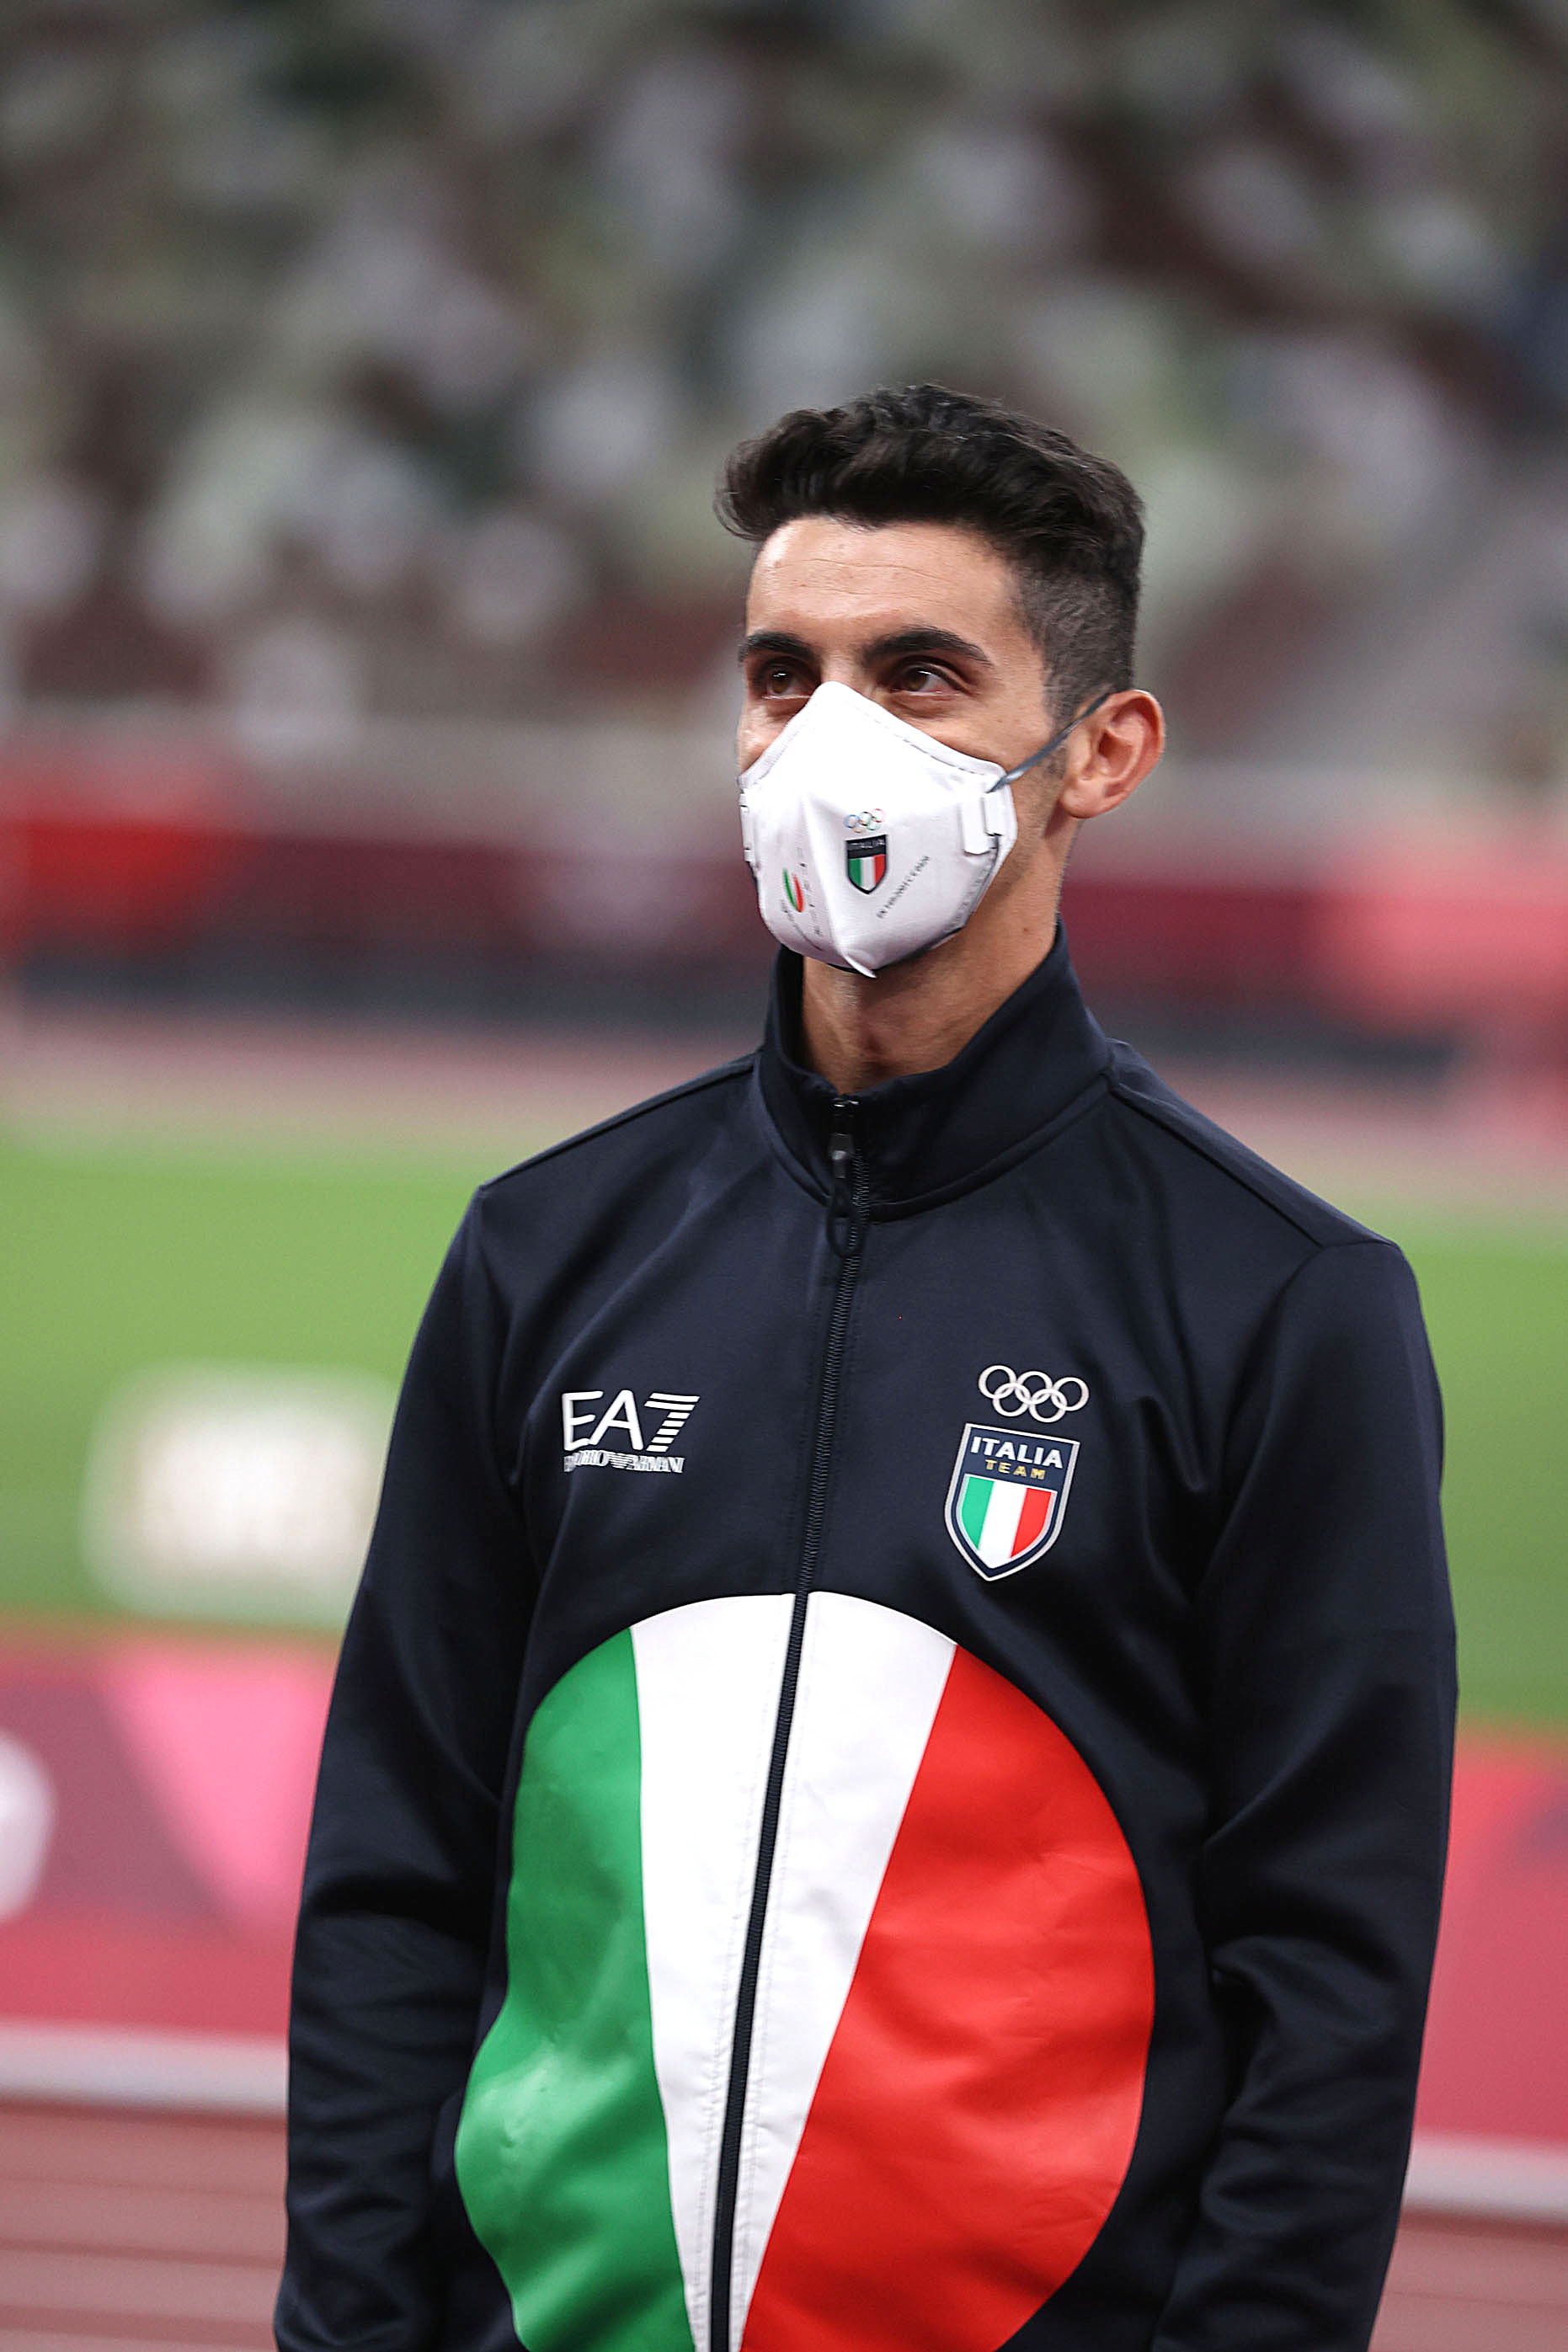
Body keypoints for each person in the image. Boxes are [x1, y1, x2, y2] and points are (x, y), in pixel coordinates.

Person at [276, 385, 1454, 2352]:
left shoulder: (1282, 1300)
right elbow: (396, 1875)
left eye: (916, 675)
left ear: (1101, 753)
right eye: (780, 675)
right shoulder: (544, 1250)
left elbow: (1328, 1986)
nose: (826, 738)